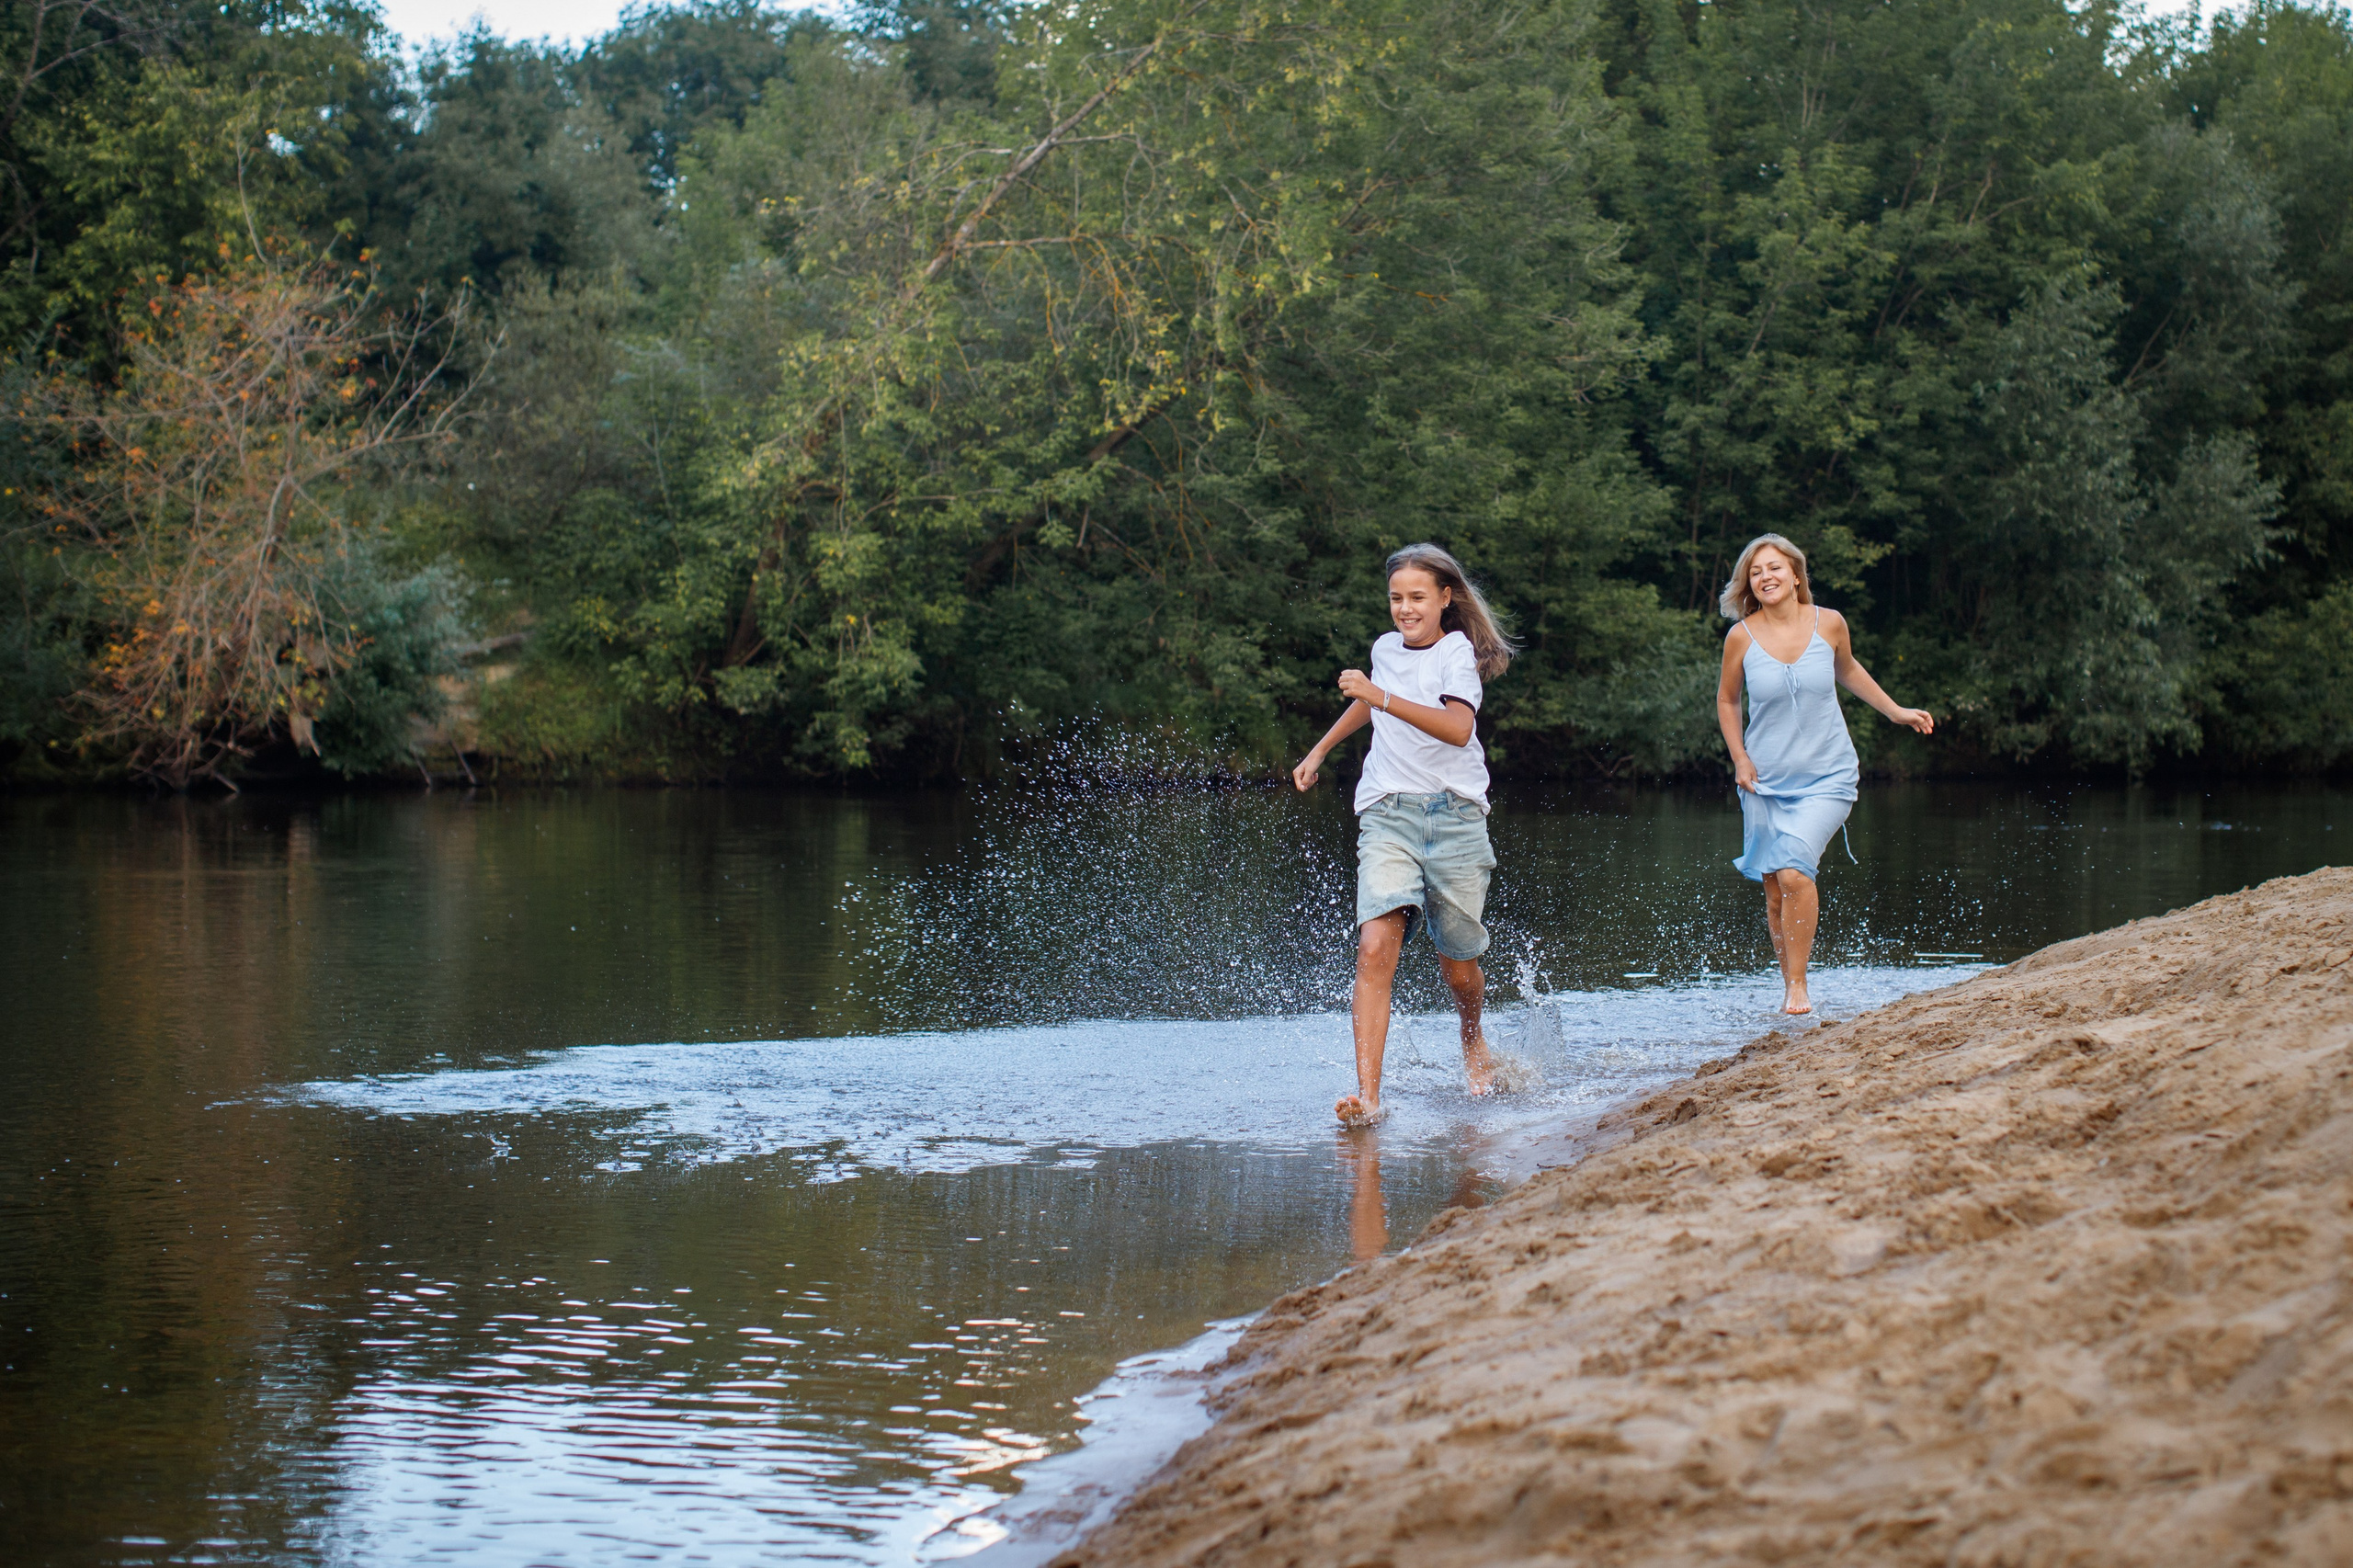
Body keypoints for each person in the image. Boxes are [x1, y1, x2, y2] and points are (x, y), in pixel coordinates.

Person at [1292, 543, 1515, 1125]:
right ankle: (1368, 1097)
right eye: (1396, 598)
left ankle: (1472, 1037)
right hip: (1387, 811)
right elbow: (1371, 709)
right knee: (1373, 947)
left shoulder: (1457, 654)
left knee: (1457, 966)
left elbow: (1457, 728)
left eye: (1417, 597)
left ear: (1445, 598)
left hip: (1456, 817)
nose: (1405, 609)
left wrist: (1379, 694)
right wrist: (1320, 748)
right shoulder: (1385, 650)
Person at [1715, 533, 1933, 1016]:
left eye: (1774, 568)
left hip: (1828, 776)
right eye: (1756, 572)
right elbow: (1728, 700)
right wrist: (1740, 758)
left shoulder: (1829, 623)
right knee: (1775, 890)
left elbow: (1848, 669)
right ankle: (1789, 981)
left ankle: (1798, 987)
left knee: (1794, 872)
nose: (1766, 577)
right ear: (1749, 585)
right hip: (1764, 780)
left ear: (1796, 576)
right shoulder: (1741, 637)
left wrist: (1895, 711)